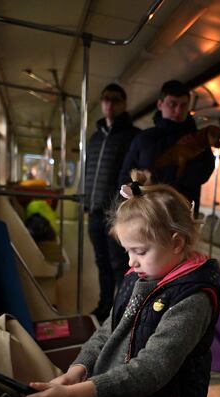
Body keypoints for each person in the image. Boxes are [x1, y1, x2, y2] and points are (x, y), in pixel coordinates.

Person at [27, 171, 220, 397]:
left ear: (177, 243)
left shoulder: (193, 298)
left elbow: (152, 370)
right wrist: (77, 372)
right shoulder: (143, 275)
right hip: (121, 390)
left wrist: (77, 396)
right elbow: (109, 330)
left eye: (139, 251)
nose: (130, 263)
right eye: (128, 251)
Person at [85, 83, 141, 322]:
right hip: (95, 210)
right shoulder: (96, 137)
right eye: (106, 99)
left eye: (115, 99)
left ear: (124, 103)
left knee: (120, 263)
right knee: (101, 262)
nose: (109, 103)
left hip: (117, 212)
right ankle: (105, 305)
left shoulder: (132, 136)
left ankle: (124, 311)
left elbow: (131, 176)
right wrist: (87, 203)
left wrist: (122, 210)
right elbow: (89, 171)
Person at [120, 80, 215, 216]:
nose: (178, 110)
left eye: (183, 105)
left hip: (183, 213)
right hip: (148, 214)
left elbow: (204, 172)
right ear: (160, 104)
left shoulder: (198, 141)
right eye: (173, 104)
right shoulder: (144, 139)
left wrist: (159, 181)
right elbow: (125, 176)